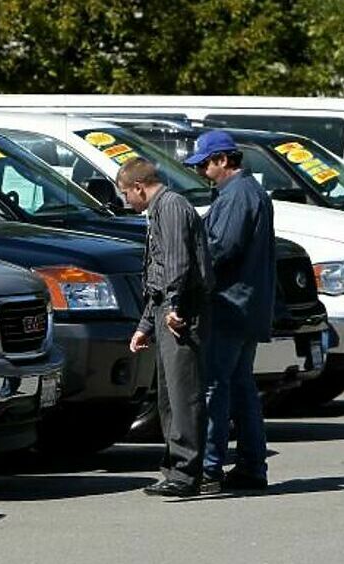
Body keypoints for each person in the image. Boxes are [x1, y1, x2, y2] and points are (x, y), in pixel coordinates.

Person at [183, 130, 276, 493]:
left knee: (214, 386)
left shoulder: (236, 196)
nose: (202, 171)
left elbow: (220, 250)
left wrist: (187, 275)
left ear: (224, 160)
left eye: (206, 164)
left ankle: (208, 469)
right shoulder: (250, 192)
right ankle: (252, 467)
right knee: (240, 387)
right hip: (247, 305)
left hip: (230, 305)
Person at [117, 157, 214, 497]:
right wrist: (145, 323)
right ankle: (174, 468)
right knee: (169, 397)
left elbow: (177, 263)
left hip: (182, 313)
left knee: (183, 394)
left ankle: (187, 474)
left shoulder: (171, 207)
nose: (126, 201)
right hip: (165, 311)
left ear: (139, 188)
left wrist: (174, 307)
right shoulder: (158, 209)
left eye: (126, 194)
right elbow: (158, 273)